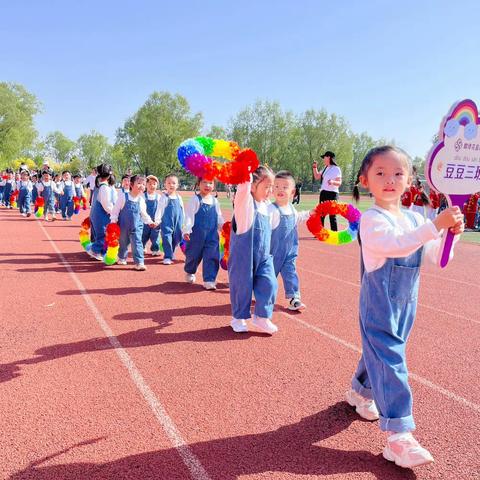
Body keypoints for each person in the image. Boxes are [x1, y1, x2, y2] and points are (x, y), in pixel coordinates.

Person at [349, 146, 464, 468]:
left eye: (398, 173)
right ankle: (400, 437)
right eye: (381, 173)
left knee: (381, 353)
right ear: (365, 180)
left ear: (410, 179)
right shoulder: (372, 219)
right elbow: (394, 245)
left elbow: (437, 259)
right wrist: (434, 226)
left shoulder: (415, 218)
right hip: (378, 305)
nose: (390, 180)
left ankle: (360, 391)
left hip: (406, 306)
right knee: (390, 359)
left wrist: (449, 236)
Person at [228, 166, 278, 334]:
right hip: (244, 255)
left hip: (263, 255)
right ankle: (238, 317)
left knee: (270, 282)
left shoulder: (267, 205)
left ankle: (262, 317)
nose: (269, 191)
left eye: (272, 187)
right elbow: (242, 191)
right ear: (253, 185)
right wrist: (245, 175)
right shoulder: (245, 204)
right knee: (242, 285)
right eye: (266, 187)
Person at [268, 171, 311, 311]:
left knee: (290, 273)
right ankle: (260, 292)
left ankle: (294, 297)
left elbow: (297, 218)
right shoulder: (271, 210)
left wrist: (310, 214)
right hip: (271, 253)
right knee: (268, 277)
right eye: (277, 186)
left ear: (293, 192)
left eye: (285, 187)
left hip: (289, 252)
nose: (280, 189)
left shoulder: (291, 209)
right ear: (272, 189)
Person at [183, 177, 224, 290]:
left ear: (214, 185)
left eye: (210, 183)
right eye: (204, 182)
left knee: (212, 255)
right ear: (198, 184)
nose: (207, 185)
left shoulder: (215, 201)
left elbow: (219, 217)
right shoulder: (195, 200)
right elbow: (189, 217)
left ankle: (209, 280)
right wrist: (187, 230)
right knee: (193, 255)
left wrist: (223, 227)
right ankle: (190, 271)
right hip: (196, 235)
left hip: (212, 235)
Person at [111, 175, 155, 271]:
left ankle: (139, 262)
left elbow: (144, 214)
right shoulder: (123, 197)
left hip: (137, 227)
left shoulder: (141, 200)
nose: (142, 186)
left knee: (137, 243)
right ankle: (122, 257)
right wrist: (113, 221)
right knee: (123, 242)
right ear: (131, 184)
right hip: (123, 226)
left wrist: (150, 222)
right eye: (139, 183)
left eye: (143, 184)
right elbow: (115, 210)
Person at [155, 174, 185, 265]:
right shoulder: (164, 197)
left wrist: (184, 221)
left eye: (173, 183)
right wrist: (157, 220)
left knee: (176, 238)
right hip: (167, 221)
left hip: (178, 221)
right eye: (169, 183)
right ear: (165, 185)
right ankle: (167, 256)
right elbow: (159, 209)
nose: (171, 185)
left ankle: (171, 252)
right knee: (167, 237)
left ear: (177, 185)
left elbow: (182, 209)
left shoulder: (179, 197)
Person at [88, 164, 116, 260]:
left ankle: (100, 251)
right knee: (103, 234)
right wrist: (114, 212)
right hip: (101, 215)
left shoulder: (98, 186)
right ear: (109, 176)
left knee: (98, 234)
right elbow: (106, 204)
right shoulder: (105, 188)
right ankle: (94, 251)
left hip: (94, 214)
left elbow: (93, 200)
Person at [312, 151, 342, 231]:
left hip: (332, 193)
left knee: (332, 214)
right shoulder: (325, 168)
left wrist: (332, 182)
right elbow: (317, 177)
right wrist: (315, 168)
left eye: (324, 157)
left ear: (329, 157)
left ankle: (334, 232)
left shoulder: (336, 169)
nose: (323, 159)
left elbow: (339, 183)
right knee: (321, 213)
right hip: (324, 193)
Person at [142, 175, 162, 257]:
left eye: (154, 184)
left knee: (155, 235)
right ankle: (142, 247)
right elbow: (141, 210)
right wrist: (147, 220)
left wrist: (157, 221)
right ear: (146, 185)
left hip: (156, 221)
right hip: (144, 221)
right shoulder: (142, 196)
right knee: (143, 235)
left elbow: (160, 210)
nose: (152, 186)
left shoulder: (159, 197)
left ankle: (155, 249)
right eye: (149, 184)